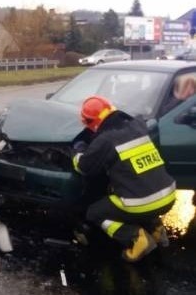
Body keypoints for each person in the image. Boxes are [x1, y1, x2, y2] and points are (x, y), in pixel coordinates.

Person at [72, 95, 176, 262]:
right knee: (138, 189)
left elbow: (83, 167)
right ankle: (156, 229)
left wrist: (79, 149)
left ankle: (136, 238)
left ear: (90, 122)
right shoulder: (138, 125)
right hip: (168, 196)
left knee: (95, 213)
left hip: (142, 204)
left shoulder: (105, 139)